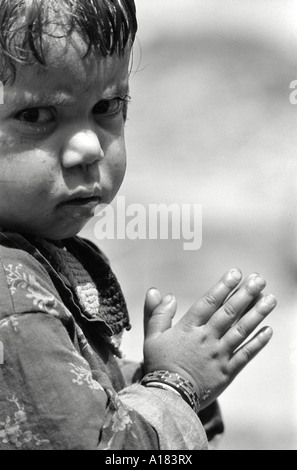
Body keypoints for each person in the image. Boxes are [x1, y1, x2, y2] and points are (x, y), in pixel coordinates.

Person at [0, 0, 277, 450]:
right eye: (35, 115)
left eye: (106, 105)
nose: (88, 147)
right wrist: (177, 385)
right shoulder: (12, 299)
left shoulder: (35, 258)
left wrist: (144, 379)